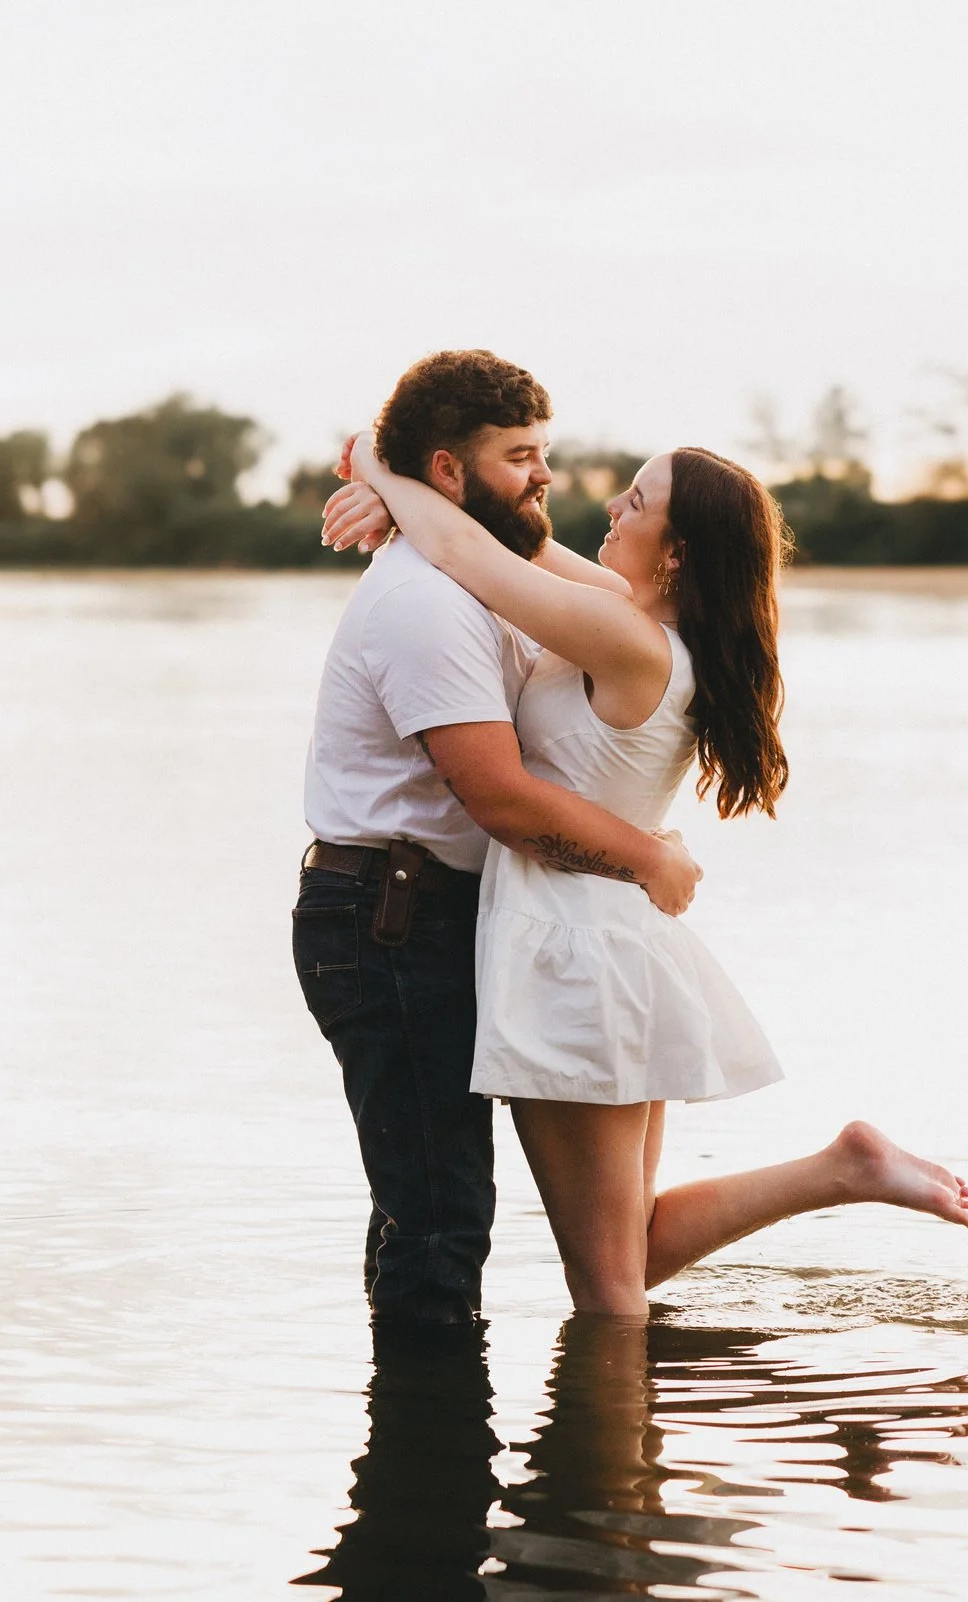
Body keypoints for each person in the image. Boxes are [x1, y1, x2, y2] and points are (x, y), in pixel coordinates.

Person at [322, 434, 968, 1318]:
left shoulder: (624, 636)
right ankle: (841, 1166)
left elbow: (464, 552)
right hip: (611, 943)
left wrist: (384, 470)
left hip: (571, 954)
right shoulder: (647, 625)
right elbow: (505, 540)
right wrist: (386, 482)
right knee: (626, 1253)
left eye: (635, 502)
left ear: (674, 552)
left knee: (608, 1296)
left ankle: (614, 1458)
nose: (609, 511)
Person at [294, 350, 703, 1332]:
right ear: (449, 470)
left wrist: (373, 467)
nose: (547, 477)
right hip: (387, 914)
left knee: (440, 1212)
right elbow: (500, 798)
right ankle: (429, 1462)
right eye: (521, 456)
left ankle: (435, 1450)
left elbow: (486, 550)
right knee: (437, 1217)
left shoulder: (495, 571)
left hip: (444, 914)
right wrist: (648, 856)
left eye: (543, 453)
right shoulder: (431, 599)